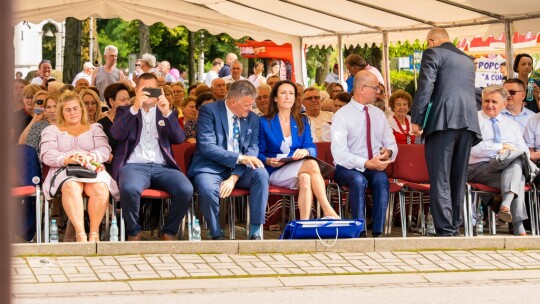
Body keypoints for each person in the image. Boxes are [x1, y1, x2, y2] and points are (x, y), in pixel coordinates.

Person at [410, 28, 481, 237]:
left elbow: (425, 86)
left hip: (442, 121)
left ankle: (445, 228)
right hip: (468, 122)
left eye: (427, 42)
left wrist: (417, 120)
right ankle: (455, 225)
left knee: (440, 176)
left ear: (432, 41)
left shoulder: (433, 53)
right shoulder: (467, 59)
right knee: (458, 177)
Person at [110, 73, 193, 241]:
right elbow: (116, 134)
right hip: (134, 165)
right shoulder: (125, 110)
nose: (148, 93)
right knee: (129, 189)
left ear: (159, 90)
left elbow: (179, 138)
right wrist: (135, 108)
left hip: (163, 166)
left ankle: (168, 232)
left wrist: (167, 112)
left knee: (186, 189)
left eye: (152, 89)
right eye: (144, 89)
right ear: (136, 89)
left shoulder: (166, 112)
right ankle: (134, 232)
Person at [188, 80, 269, 240]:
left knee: (261, 174)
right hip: (210, 166)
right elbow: (207, 147)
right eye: (247, 105)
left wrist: (234, 177)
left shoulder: (253, 118)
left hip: (240, 169)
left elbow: (253, 148)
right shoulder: (208, 111)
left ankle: (255, 231)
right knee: (207, 188)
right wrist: (240, 158)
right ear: (233, 102)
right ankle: (216, 233)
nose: (251, 109)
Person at [40, 90, 119, 242]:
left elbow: (104, 150)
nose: (72, 112)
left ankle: (94, 235)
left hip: (91, 167)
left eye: (75, 108)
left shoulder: (95, 128)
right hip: (65, 169)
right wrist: (67, 158)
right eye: (68, 109)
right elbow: (46, 154)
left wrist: (89, 156)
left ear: (81, 109)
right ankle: (80, 234)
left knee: (100, 187)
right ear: (61, 112)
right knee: (71, 186)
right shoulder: (51, 130)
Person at [258, 80, 339, 220]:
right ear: (276, 98)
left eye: (291, 93)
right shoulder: (264, 122)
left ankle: (304, 222)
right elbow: (257, 152)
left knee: (305, 178)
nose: (288, 96)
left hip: (298, 167)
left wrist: (306, 152)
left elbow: (312, 148)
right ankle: (328, 210)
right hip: (275, 170)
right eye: (283, 93)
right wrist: (268, 160)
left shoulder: (302, 120)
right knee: (311, 164)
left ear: (295, 98)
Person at [331, 71, 397, 238]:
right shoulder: (342, 115)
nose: (377, 92)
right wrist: (366, 163)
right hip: (347, 167)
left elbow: (391, 143)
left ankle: (378, 232)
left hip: (374, 165)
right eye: (375, 88)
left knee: (382, 180)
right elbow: (339, 153)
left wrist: (388, 152)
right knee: (358, 180)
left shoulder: (378, 114)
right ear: (361, 88)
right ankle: (359, 231)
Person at [468, 85, 529, 236]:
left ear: (504, 104)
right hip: (479, 167)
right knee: (518, 177)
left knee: (516, 164)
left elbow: (525, 151)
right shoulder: (473, 120)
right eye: (486, 101)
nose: (490, 105)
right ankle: (518, 224)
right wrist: (500, 147)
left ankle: (506, 205)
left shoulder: (511, 125)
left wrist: (509, 152)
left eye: (494, 102)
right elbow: (472, 150)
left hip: (505, 168)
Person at [97, 82, 131, 155]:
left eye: (128, 99)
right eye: (123, 100)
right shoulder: (101, 125)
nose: (127, 103)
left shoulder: (133, 121)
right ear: (111, 102)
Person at [22, 92, 59, 156]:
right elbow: (28, 148)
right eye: (48, 107)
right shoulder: (38, 126)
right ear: (45, 109)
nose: (52, 110)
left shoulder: (69, 124)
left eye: (55, 106)